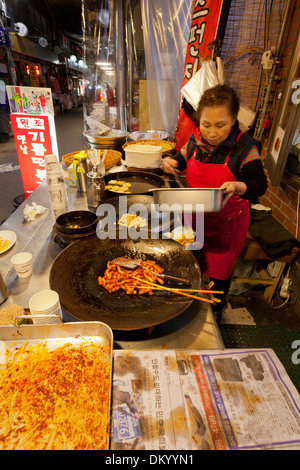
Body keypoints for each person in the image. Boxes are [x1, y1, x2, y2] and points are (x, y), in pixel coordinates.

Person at [163, 84, 267, 324]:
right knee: (191, 265)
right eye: (206, 124)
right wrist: (171, 162)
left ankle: (216, 311)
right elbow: (181, 159)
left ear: (233, 120)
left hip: (226, 224)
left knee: (219, 275)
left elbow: (258, 184)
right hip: (194, 221)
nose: (211, 132)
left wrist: (238, 186)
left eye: (220, 125)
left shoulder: (245, 148)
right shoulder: (196, 139)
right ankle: (188, 307)